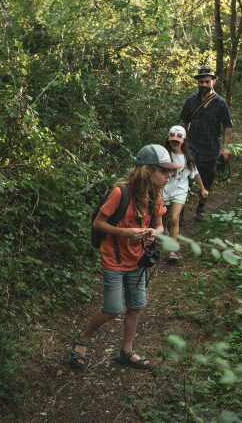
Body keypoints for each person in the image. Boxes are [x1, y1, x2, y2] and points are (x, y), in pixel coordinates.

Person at [70, 144, 178, 371]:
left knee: (136, 305)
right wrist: (126, 233)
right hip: (114, 260)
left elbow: (159, 226)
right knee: (112, 308)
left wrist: (152, 233)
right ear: (147, 170)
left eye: (169, 171)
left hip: (138, 260)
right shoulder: (121, 192)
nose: (169, 176)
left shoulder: (156, 196)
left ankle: (126, 351)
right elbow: (98, 223)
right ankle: (83, 338)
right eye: (163, 171)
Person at [180, 66, 233, 221]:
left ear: (213, 81)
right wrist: (182, 142)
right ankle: (180, 213)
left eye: (206, 81)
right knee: (185, 180)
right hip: (191, 146)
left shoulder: (221, 103)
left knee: (207, 181)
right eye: (201, 81)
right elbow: (184, 121)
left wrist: (224, 147)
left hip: (211, 148)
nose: (203, 84)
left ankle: (200, 209)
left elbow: (227, 126)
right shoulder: (191, 101)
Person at [162, 125, 209, 261]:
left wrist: (203, 188)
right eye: (173, 141)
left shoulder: (187, 158)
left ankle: (172, 251)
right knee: (162, 218)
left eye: (177, 141)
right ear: (169, 139)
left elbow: (196, 174)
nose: (175, 143)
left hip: (180, 191)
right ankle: (162, 238)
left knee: (174, 218)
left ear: (183, 141)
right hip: (163, 191)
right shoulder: (163, 155)